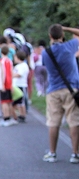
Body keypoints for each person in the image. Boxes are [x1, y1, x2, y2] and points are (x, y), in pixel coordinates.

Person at [41, 24, 79, 163]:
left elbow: (46, 66)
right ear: (62, 35)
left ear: (50, 36)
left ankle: (52, 153)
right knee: (74, 121)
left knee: (53, 122)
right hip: (71, 90)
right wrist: (67, 28)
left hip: (54, 90)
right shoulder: (70, 47)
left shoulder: (46, 52)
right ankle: (75, 153)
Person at [0, 45, 14, 127]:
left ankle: (6, 118)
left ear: (0, 52)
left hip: (4, 83)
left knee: (4, 102)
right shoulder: (10, 61)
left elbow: (2, 73)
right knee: (9, 101)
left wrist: (2, 84)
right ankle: (9, 117)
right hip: (9, 83)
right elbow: (11, 72)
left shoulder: (1, 61)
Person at [12, 50, 30, 123]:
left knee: (21, 101)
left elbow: (19, 74)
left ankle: (23, 115)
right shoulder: (18, 66)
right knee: (18, 101)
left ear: (18, 57)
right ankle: (20, 114)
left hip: (21, 85)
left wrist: (11, 75)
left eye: (15, 57)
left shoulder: (23, 66)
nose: (14, 59)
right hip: (16, 85)